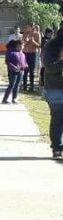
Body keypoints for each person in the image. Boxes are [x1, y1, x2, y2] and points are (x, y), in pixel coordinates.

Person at [41, 27, 63, 159]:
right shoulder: (51, 47)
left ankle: (57, 147)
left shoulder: (50, 46)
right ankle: (56, 147)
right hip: (56, 90)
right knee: (57, 119)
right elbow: (49, 67)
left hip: (54, 89)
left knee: (57, 120)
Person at [3, 40, 27, 104]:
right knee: (11, 85)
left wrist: (25, 65)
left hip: (21, 71)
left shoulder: (22, 53)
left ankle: (14, 98)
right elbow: (7, 62)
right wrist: (14, 68)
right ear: (19, 45)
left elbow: (24, 62)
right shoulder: (10, 52)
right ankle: (5, 99)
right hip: (12, 71)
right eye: (23, 45)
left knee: (17, 85)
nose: (23, 46)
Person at [22, 24, 41, 92]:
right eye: (27, 27)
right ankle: (24, 85)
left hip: (32, 53)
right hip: (25, 53)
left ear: (32, 27)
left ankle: (32, 85)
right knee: (25, 70)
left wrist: (32, 41)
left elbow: (38, 45)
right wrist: (27, 41)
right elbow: (23, 44)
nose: (27, 28)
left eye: (28, 27)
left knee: (31, 70)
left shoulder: (37, 34)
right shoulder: (25, 34)